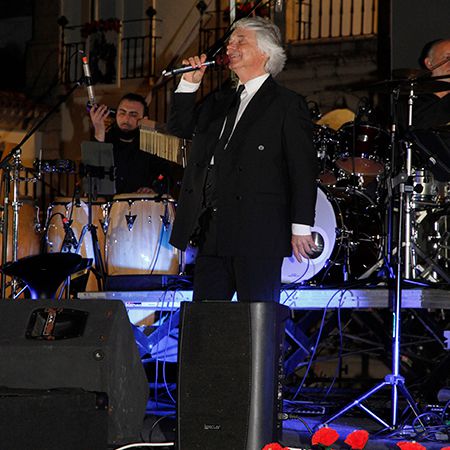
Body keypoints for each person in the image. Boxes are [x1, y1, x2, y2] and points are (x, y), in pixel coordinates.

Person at [167, 17, 318, 302]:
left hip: (259, 231)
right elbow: (180, 127)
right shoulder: (220, 101)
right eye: (229, 42)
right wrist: (188, 84)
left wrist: (300, 226)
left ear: (265, 52)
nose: (229, 47)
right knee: (207, 318)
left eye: (240, 41)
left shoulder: (286, 104)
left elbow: (302, 168)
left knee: (256, 318)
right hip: (214, 228)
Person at [89, 92, 167, 194]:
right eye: (122, 113)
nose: (126, 119)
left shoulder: (152, 145)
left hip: (141, 203)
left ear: (144, 120)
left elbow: (165, 176)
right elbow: (91, 178)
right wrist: (99, 133)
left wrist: (153, 189)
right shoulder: (104, 140)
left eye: (133, 114)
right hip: (108, 202)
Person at [409, 38, 450, 181]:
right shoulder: (412, 99)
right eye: (447, 58)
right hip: (429, 181)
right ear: (429, 63)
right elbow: (420, 124)